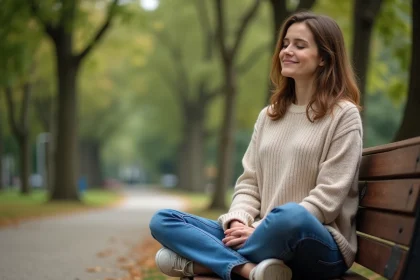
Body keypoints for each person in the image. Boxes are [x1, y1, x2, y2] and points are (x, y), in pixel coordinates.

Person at [149, 11, 362, 280]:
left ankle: (204, 262)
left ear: (323, 57)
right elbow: (249, 183)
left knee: (290, 216)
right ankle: (250, 270)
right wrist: (238, 220)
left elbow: (327, 200)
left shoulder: (343, 115)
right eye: (285, 44)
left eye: (299, 45)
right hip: (259, 236)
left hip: (317, 244)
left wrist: (261, 229)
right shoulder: (269, 115)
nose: (287, 51)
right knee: (164, 220)